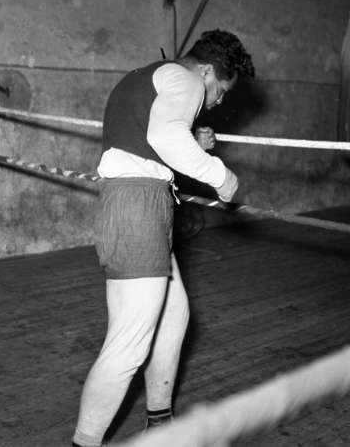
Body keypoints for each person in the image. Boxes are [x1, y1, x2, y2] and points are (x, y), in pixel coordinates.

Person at [73, 29, 254, 447]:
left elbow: (147, 136)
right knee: (129, 344)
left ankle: (160, 423)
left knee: (175, 316)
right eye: (221, 90)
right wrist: (222, 178)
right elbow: (165, 138)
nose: (217, 101)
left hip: (140, 202)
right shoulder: (186, 80)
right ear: (205, 71)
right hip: (137, 206)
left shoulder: (149, 75)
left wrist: (193, 140)